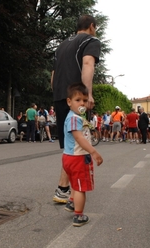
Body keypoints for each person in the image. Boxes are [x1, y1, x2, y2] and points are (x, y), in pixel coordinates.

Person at [50, 14, 101, 203]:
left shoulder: (61, 45)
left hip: (61, 96)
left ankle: (63, 188)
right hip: (77, 97)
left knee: (69, 144)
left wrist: (58, 94)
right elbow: (88, 64)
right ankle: (72, 191)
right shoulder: (91, 40)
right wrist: (87, 95)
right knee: (79, 143)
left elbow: (53, 76)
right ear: (91, 26)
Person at [63, 83, 103, 226]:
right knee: (81, 187)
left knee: (75, 182)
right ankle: (78, 216)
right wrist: (93, 152)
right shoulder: (74, 118)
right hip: (78, 158)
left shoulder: (74, 116)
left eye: (85, 101)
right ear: (69, 102)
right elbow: (79, 137)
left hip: (69, 157)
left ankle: (72, 202)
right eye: (78, 100)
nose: (82, 103)